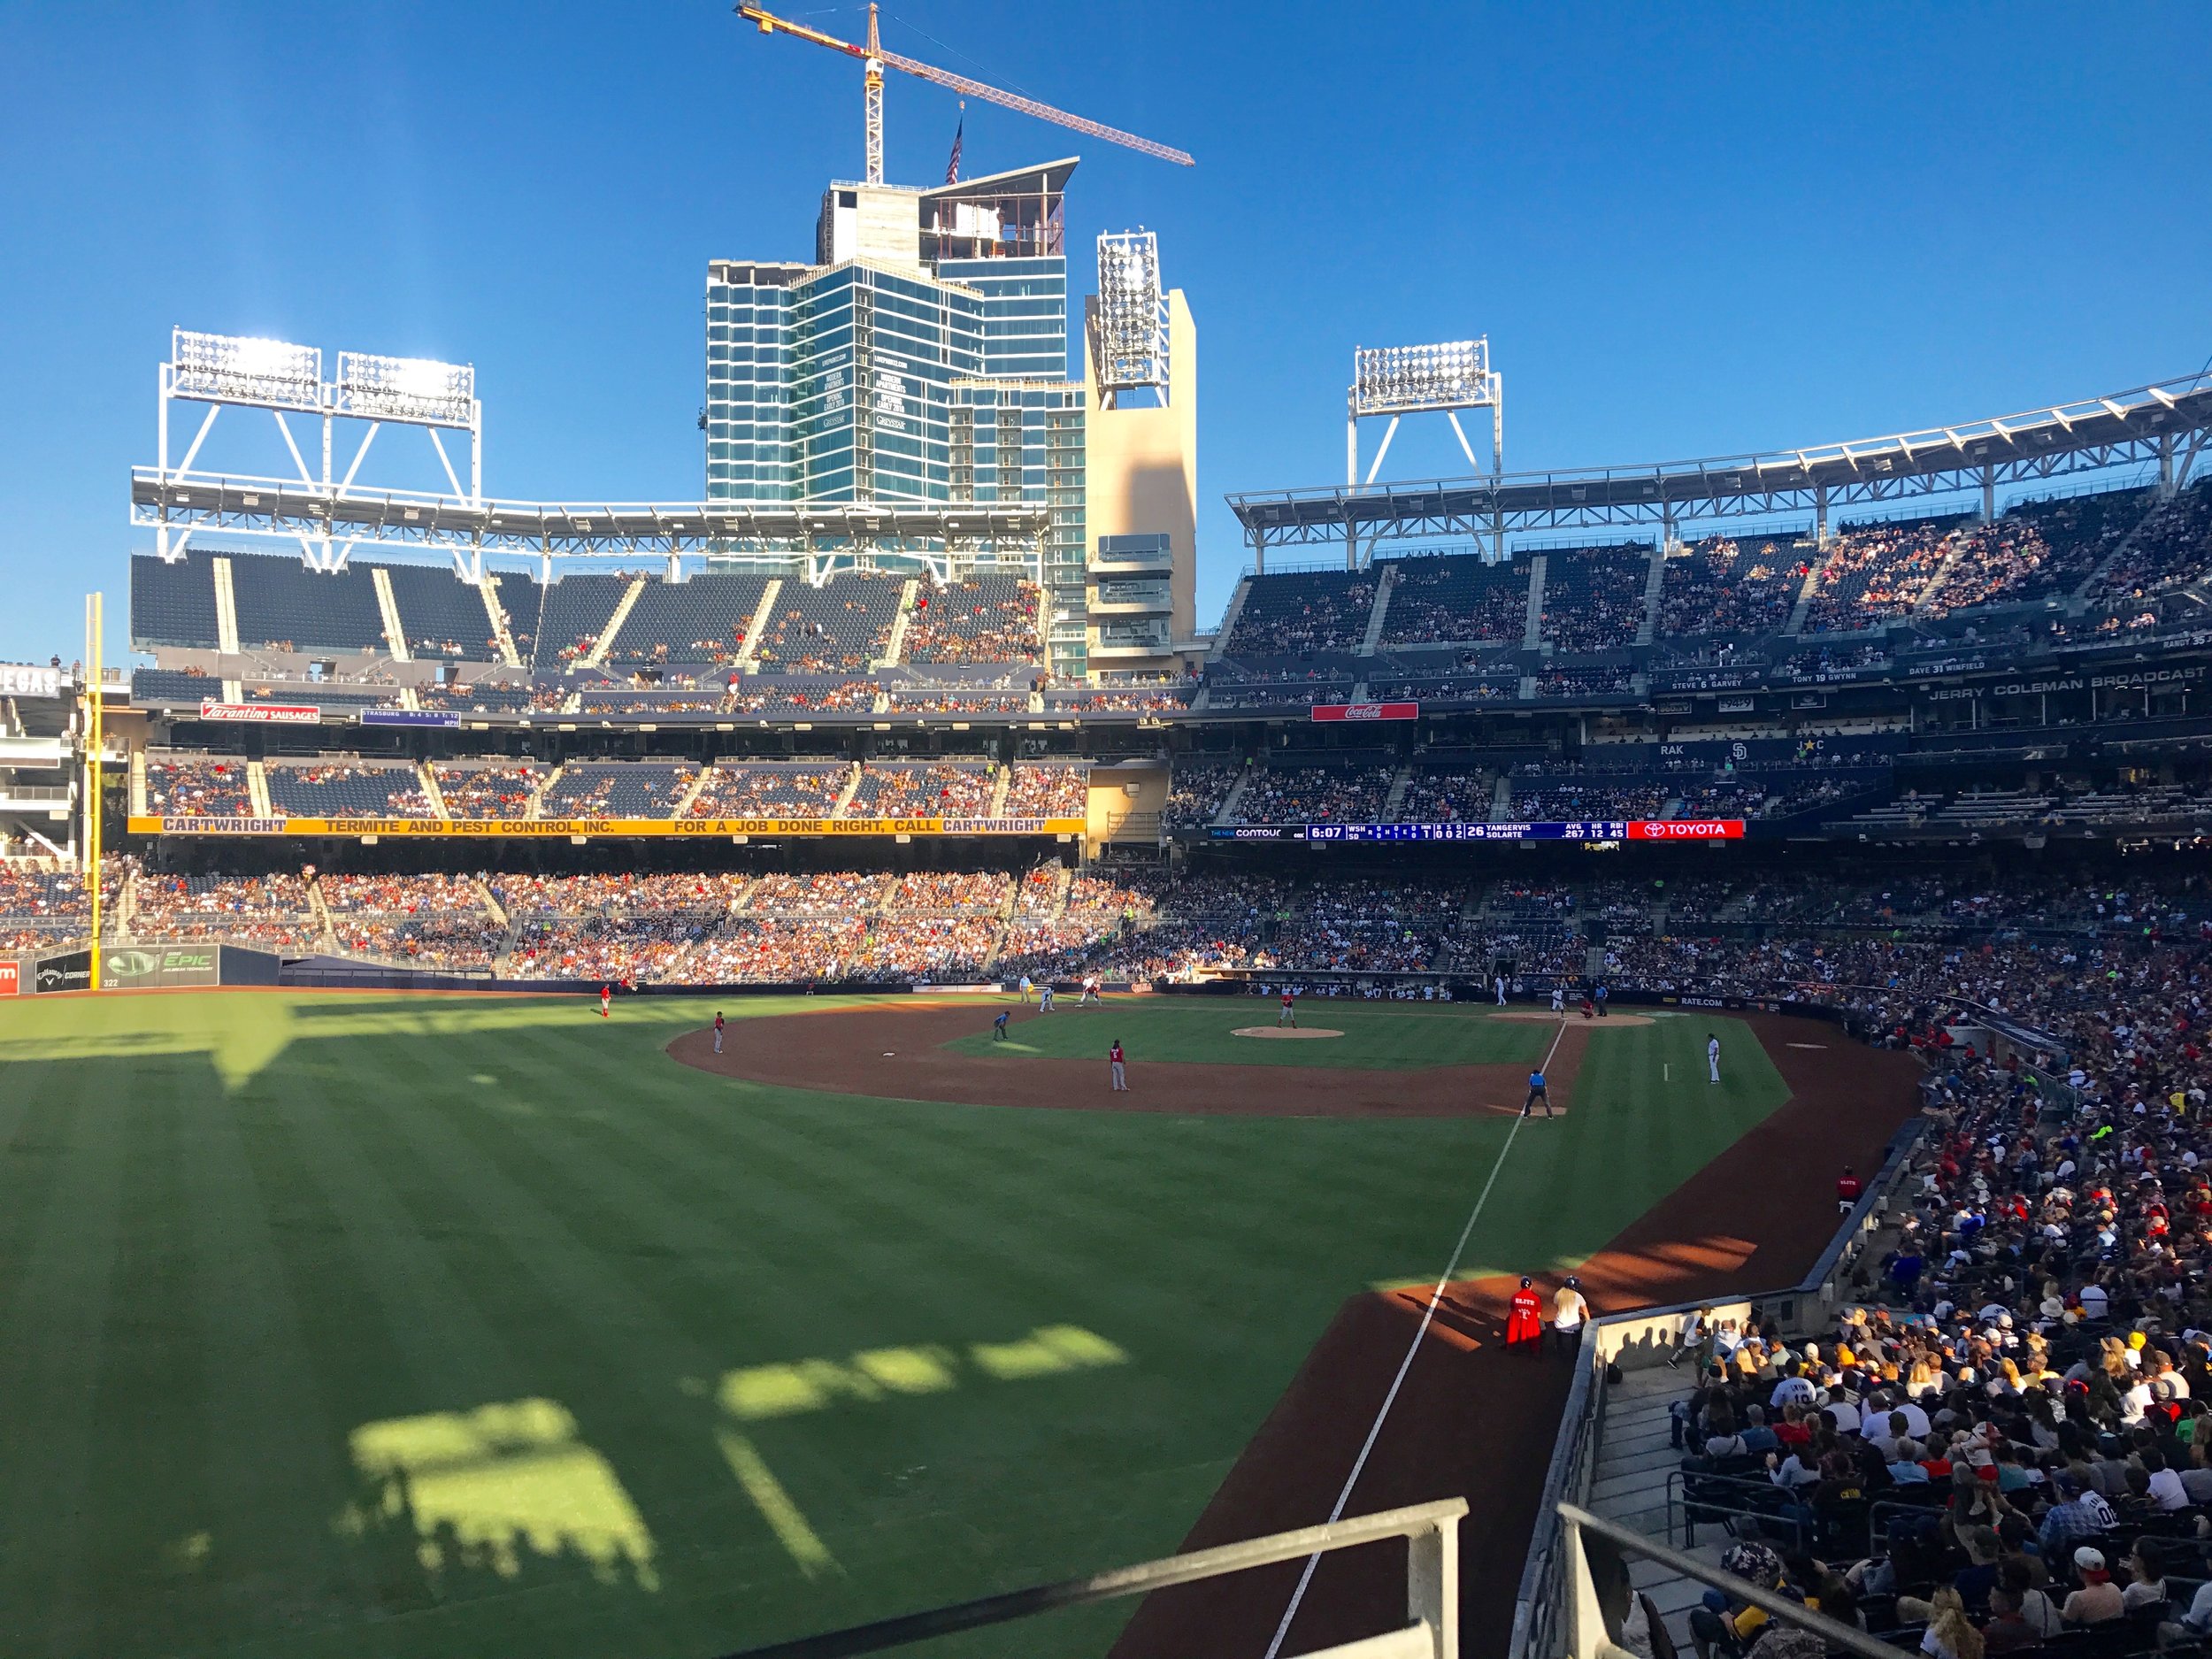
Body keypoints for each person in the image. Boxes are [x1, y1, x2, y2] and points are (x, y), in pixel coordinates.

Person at [1552, 1275, 1589, 1355]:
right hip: (1574, 1326)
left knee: (1558, 1329)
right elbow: (1586, 1313)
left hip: (1559, 1325)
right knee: (1579, 1333)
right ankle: (1576, 1350)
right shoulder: (1578, 1296)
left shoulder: (1558, 1294)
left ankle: (1559, 1347)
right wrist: (1588, 1323)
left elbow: (1557, 1307)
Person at [1507, 1276, 1543, 1351]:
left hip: (1517, 1324)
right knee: (1543, 1326)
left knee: (1508, 1321)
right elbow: (1538, 1315)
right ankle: (1538, 1347)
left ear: (1521, 1286)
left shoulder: (1515, 1297)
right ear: (1530, 1286)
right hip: (1531, 1326)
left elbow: (1511, 1311)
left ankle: (1510, 1345)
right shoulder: (1536, 1298)